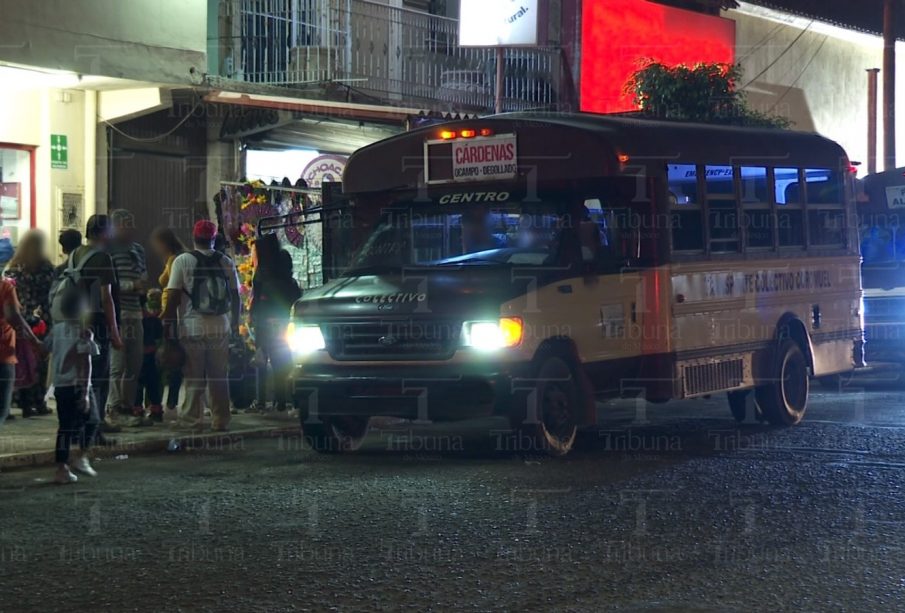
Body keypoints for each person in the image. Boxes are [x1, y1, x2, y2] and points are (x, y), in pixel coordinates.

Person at [162, 220, 240, 432]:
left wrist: (168, 328)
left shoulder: (183, 261)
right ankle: (221, 420)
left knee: (194, 377)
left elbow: (172, 297)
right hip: (220, 327)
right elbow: (235, 296)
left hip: (192, 328)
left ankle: (192, 421)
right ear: (214, 239)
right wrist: (234, 325)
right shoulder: (226, 261)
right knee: (218, 377)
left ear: (194, 238)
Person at [70, 215, 124, 437]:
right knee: (99, 379)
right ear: (104, 234)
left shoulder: (75, 254)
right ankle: (95, 428)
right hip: (97, 324)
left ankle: (77, 426)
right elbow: (106, 298)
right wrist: (115, 332)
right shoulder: (103, 258)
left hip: (75, 322)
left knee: (80, 376)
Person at [4, 229, 55, 417]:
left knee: (21, 361)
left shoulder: (13, 268)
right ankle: (37, 402)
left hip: (19, 317)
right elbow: (51, 292)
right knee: (39, 361)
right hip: (42, 318)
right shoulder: (46, 268)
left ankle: (18, 400)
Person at [106, 210, 149, 427]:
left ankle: (127, 405)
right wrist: (132, 286)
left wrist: (142, 285)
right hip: (118, 313)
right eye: (125, 224)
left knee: (135, 363)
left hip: (136, 312)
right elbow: (108, 284)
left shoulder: (138, 250)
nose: (130, 228)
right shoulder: (109, 251)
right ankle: (113, 408)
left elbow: (143, 276)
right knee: (117, 364)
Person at [47, 319, 100, 484]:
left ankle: (61, 469)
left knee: (65, 428)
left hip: (61, 385)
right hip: (77, 384)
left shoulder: (56, 329)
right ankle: (81, 457)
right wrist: (85, 393)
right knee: (93, 420)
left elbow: (43, 347)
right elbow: (85, 361)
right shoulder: (83, 330)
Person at [250, 248, 300, 412]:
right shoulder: (290, 283)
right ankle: (282, 401)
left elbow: (257, 304)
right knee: (282, 364)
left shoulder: (265, 281)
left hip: (266, 326)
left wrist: (254, 320)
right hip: (285, 326)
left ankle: (261, 401)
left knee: (262, 362)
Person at [150, 226, 185, 416]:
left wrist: (165, 316)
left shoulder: (174, 260)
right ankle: (170, 400)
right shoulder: (175, 258)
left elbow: (173, 291)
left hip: (172, 314)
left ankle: (171, 401)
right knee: (173, 358)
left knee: (171, 358)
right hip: (172, 313)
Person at [0, 277, 44, 429]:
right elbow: (14, 316)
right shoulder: (4, 287)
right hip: (2, 354)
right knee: (1, 409)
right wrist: (35, 340)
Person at [135, 288, 164, 422]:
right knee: (153, 384)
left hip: (138, 355)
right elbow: (159, 337)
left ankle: (137, 409)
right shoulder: (153, 319)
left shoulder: (135, 320)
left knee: (137, 384)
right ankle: (156, 410)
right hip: (151, 354)